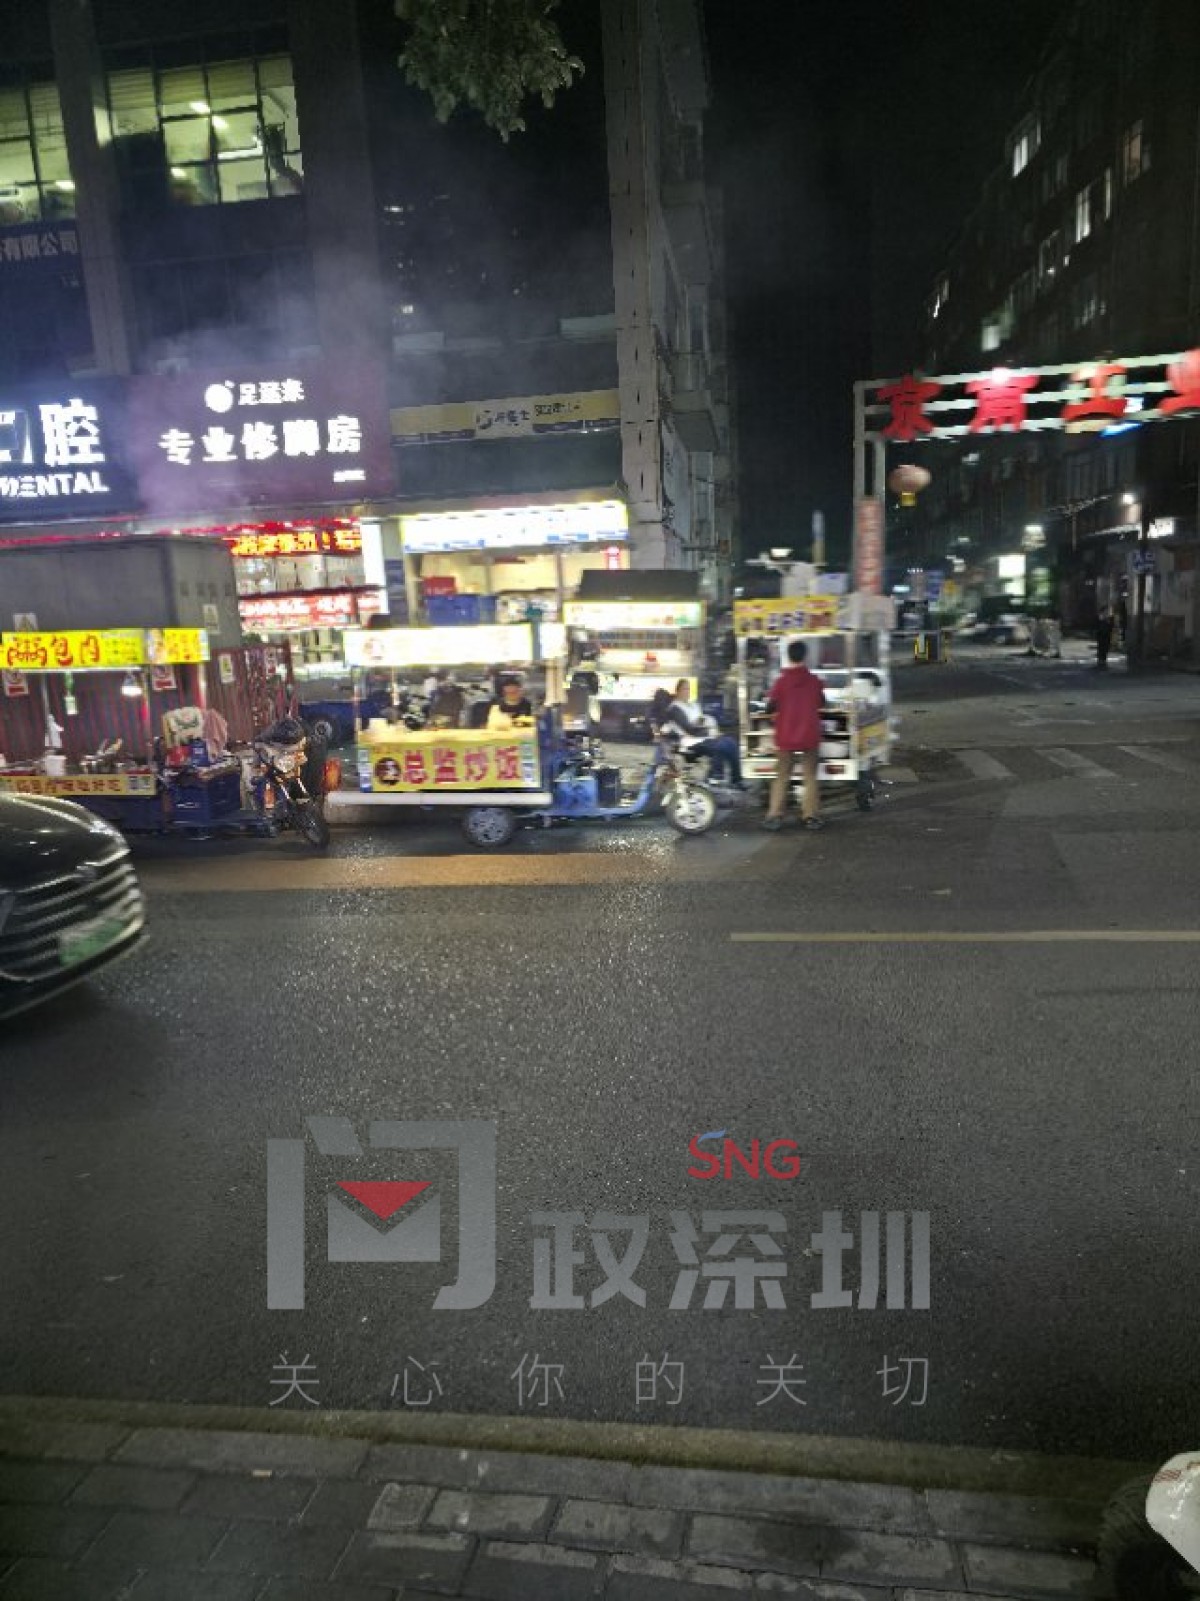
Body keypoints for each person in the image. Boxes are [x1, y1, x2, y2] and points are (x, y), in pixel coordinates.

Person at [762, 640, 826, 831]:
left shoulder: (781, 682)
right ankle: (810, 816)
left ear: (788, 656)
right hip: (809, 735)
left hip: (785, 735)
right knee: (810, 776)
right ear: (805, 656)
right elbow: (821, 703)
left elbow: (770, 707)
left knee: (782, 776)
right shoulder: (814, 681)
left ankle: (774, 816)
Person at [658, 679, 745, 786]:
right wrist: (708, 731)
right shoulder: (674, 708)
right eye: (684, 689)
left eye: (688, 689)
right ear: (678, 691)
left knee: (731, 743)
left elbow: (701, 720)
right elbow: (689, 728)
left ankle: (737, 780)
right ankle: (715, 777)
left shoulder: (693, 705)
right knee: (721, 745)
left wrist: (709, 728)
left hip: (703, 737)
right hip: (690, 742)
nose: (687, 691)